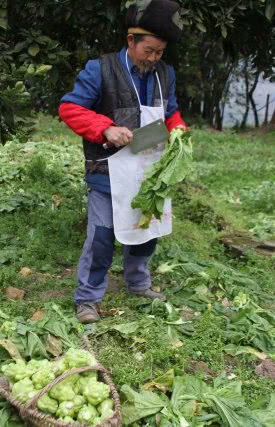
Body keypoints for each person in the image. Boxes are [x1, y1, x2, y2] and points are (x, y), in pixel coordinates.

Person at [58, 0, 188, 324]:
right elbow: (70, 108)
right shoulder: (99, 69)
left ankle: (138, 284)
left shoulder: (165, 74)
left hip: (149, 170)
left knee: (148, 229)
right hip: (108, 168)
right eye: (149, 50)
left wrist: (179, 130)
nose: (154, 58)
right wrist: (104, 128)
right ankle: (87, 299)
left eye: (160, 52)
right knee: (102, 233)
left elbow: (169, 113)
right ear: (131, 40)